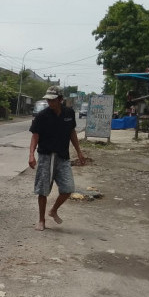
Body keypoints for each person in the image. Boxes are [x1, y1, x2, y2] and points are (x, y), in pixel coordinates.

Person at [29, 86, 86, 231]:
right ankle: (41, 220)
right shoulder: (42, 116)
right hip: (46, 156)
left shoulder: (69, 113)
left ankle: (53, 210)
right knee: (43, 190)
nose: (50, 102)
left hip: (63, 157)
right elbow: (35, 136)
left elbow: (72, 133)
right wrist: (31, 155)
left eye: (53, 100)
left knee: (68, 188)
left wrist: (79, 152)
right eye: (48, 100)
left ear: (60, 100)